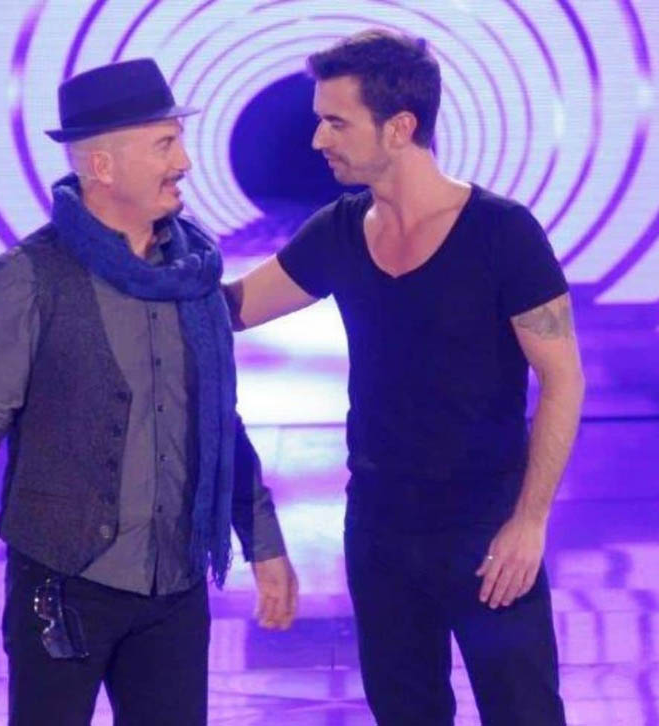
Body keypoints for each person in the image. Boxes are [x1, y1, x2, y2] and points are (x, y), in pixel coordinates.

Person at [224, 30, 584, 726]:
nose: (317, 140)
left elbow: (563, 380)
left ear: (400, 127)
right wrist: (138, 265)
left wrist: (529, 522)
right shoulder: (338, 230)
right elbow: (231, 310)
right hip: (379, 528)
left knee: (525, 713)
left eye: (336, 122)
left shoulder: (503, 233)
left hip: (487, 530)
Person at [0, 58, 298, 726]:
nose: (184, 163)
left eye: (179, 142)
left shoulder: (193, 274)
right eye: (164, 144)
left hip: (176, 587)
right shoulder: (28, 277)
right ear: (102, 166)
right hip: (64, 584)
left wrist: (264, 543)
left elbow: (218, 421)